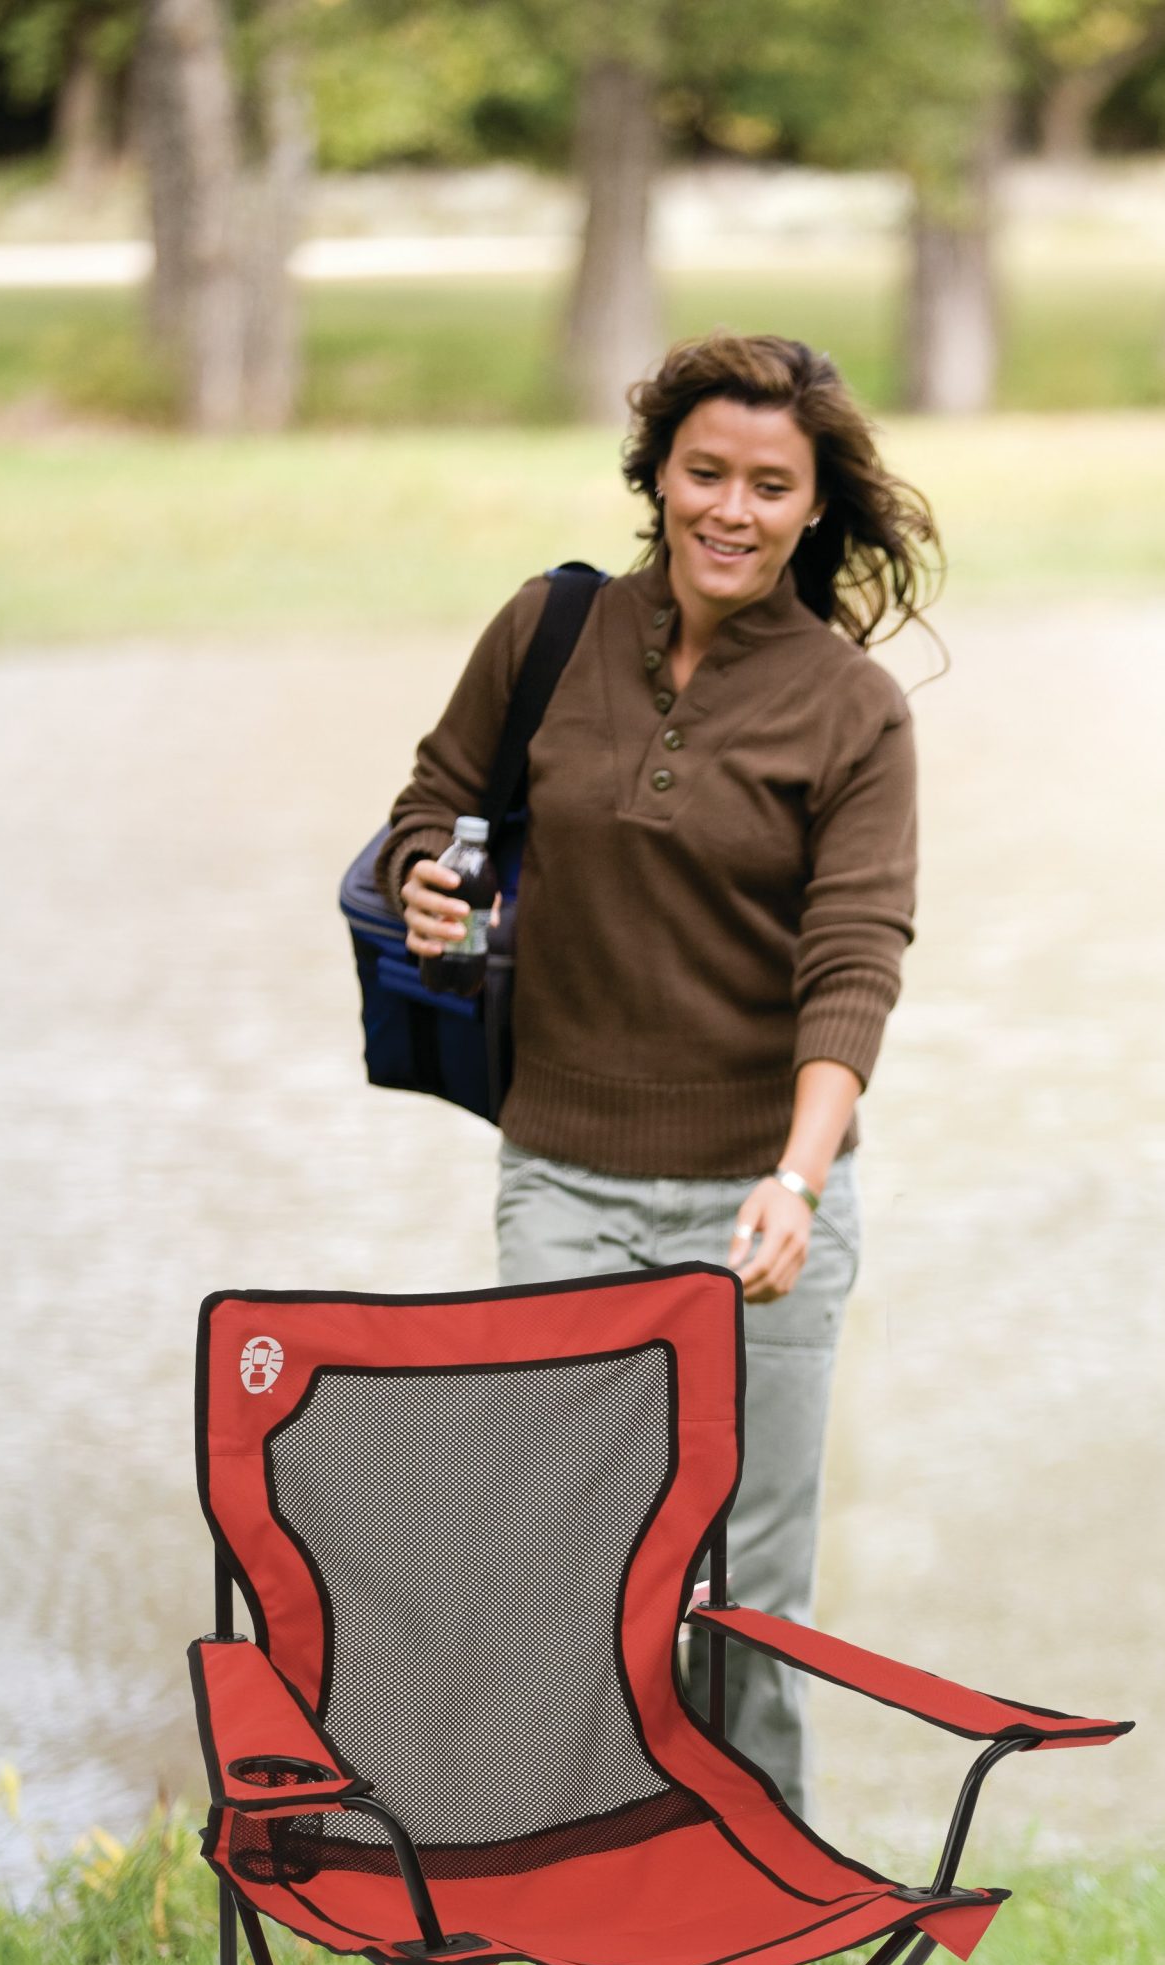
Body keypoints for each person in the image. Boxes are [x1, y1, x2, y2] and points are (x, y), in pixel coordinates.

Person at [376, 330, 941, 1822]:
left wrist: (798, 1180)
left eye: (771, 485)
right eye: (707, 473)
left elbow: (855, 957)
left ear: (814, 507)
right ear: (659, 478)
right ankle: (568, 1870)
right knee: (560, 1565)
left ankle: (765, 1885)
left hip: (761, 1207)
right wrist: (428, 872)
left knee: (753, 1598)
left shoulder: (852, 709)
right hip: (563, 1181)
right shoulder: (549, 630)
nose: (732, 511)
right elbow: (436, 801)